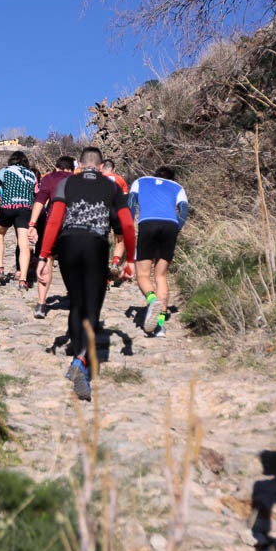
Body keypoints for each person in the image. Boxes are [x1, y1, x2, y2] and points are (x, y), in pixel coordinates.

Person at [37, 147, 136, 399]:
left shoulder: (67, 183)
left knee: (77, 303)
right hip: (95, 245)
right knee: (92, 307)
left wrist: (43, 255)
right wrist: (130, 259)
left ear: (80, 165)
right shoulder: (112, 187)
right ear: (102, 166)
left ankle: (75, 350)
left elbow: (54, 220)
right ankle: (81, 361)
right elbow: (125, 224)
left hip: (68, 244)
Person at [128, 166, 188, 337]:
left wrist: (129, 226)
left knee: (143, 275)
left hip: (148, 224)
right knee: (161, 276)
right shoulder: (177, 187)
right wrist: (176, 229)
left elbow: (131, 203)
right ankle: (160, 326)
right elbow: (183, 211)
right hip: (170, 225)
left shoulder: (140, 181)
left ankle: (152, 300)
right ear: (172, 177)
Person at [27, 155, 77, 319]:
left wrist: (32, 224)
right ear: (72, 169)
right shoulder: (78, 179)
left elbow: (39, 202)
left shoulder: (49, 178)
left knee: (46, 261)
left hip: (52, 226)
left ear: (56, 167)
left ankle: (41, 304)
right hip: (73, 227)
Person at [0, 151, 37, 289]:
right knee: (24, 245)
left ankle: (0, 268)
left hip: (7, 206)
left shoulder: (5, 170)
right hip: (25, 209)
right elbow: (36, 194)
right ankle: (23, 280)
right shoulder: (32, 175)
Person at [99, 157, 130, 280]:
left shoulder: (98, 180)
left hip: (101, 212)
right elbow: (125, 199)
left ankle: (103, 271)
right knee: (120, 238)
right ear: (114, 169)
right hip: (117, 211)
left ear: (101, 168)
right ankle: (115, 263)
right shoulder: (120, 180)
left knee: (102, 240)